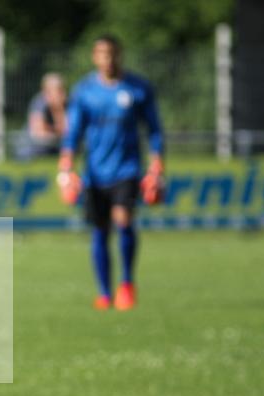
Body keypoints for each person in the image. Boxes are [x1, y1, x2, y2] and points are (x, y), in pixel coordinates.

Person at [57, 35, 164, 310]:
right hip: (94, 173)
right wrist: (66, 166)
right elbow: (73, 133)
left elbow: (154, 129)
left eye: (113, 53)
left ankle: (126, 284)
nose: (108, 59)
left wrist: (157, 164)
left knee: (124, 221)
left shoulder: (138, 88)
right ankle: (104, 293)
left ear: (120, 55)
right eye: (102, 54)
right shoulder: (85, 91)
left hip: (127, 169)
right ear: (95, 57)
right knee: (100, 231)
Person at [18, 72, 68, 159]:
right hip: (31, 151)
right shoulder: (39, 103)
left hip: (53, 150)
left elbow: (67, 130)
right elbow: (39, 133)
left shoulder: (66, 104)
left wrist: (58, 109)